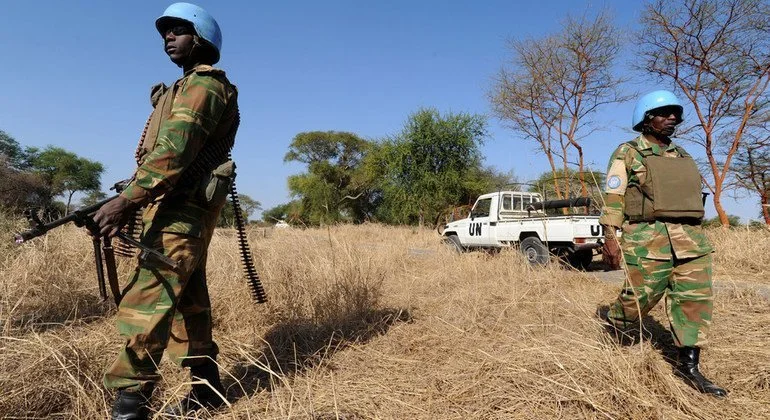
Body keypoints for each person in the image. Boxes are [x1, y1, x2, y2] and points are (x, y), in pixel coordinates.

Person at [92, 3, 239, 418]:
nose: (167, 38)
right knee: (190, 302)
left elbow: (175, 151)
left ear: (202, 38)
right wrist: (130, 192)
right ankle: (208, 391)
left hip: (183, 210)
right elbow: (162, 155)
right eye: (165, 33)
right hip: (173, 208)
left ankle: (130, 406)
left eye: (178, 31)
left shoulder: (205, 86)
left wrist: (127, 201)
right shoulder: (179, 87)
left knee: (149, 300)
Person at [599, 90, 727, 397]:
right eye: (664, 113)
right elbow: (614, 197)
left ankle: (690, 366)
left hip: (691, 239)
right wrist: (610, 237)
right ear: (645, 118)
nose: (672, 118)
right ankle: (616, 327)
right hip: (648, 238)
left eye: (676, 114)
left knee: (695, 300)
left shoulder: (681, 155)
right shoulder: (628, 152)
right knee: (640, 297)